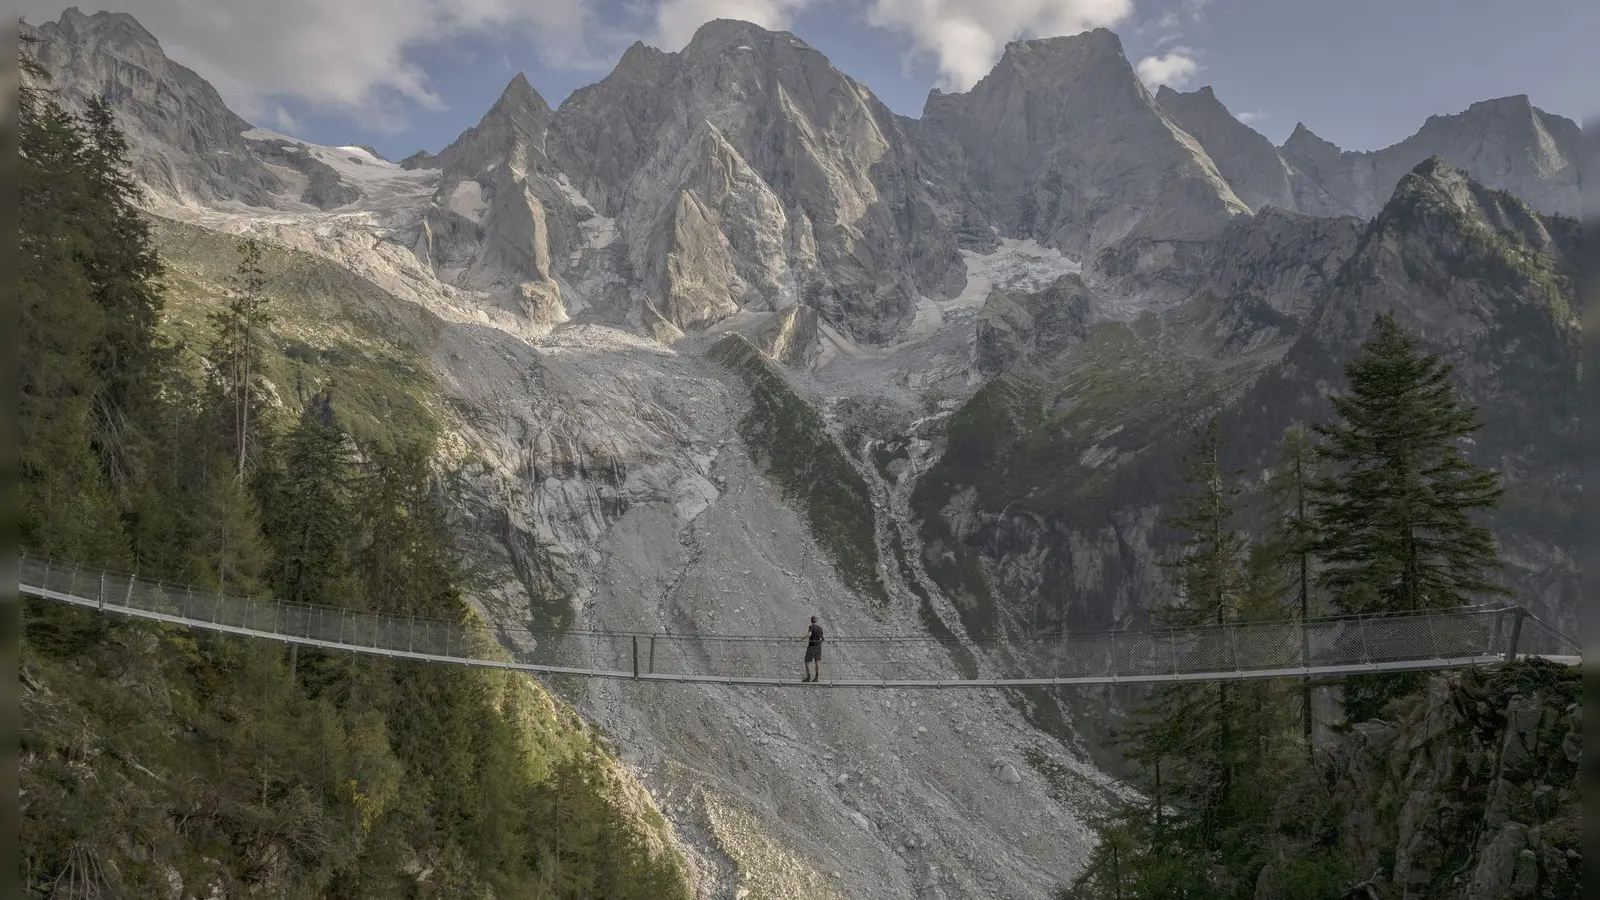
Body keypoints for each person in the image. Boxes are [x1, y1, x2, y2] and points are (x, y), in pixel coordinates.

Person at [801, 615, 824, 682]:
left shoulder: (811, 627)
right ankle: (816, 678)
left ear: (811, 621)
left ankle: (809, 677)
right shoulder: (820, 628)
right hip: (818, 647)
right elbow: (822, 639)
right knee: (817, 662)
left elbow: (809, 635)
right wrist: (819, 644)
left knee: (806, 661)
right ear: (816, 621)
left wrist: (800, 640)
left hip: (811, 647)